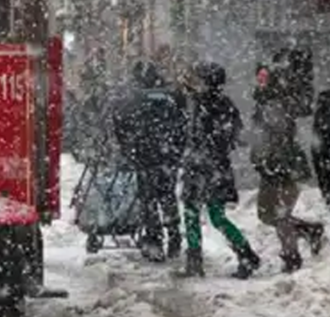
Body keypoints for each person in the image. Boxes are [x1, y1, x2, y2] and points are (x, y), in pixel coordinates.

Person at [179, 61, 261, 278]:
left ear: (206, 82)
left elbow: (195, 135)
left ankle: (195, 262)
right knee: (217, 217)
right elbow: (237, 136)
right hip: (217, 168)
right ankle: (246, 254)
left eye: (199, 79)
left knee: (191, 213)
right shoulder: (225, 104)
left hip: (201, 168)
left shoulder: (202, 105)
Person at [110, 59, 187, 262]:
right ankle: (174, 237)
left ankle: (154, 241)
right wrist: (176, 150)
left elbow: (120, 121)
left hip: (145, 157)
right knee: (168, 197)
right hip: (168, 156)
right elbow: (182, 123)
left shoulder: (134, 99)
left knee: (149, 201)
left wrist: (128, 147)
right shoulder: (170, 97)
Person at [251, 63, 325, 273]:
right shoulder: (263, 101)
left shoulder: (276, 103)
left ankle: (292, 257)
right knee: (266, 214)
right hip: (269, 166)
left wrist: (270, 159)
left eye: (265, 77)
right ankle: (310, 229)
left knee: (280, 214)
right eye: (259, 77)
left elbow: (277, 136)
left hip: (282, 166)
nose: (261, 81)